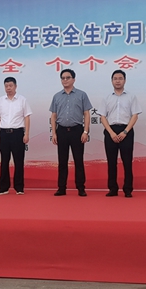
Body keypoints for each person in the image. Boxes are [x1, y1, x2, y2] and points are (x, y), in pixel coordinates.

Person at [98, 70, 142, 198]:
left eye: (120, 78)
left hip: (126, 131)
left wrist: (125, 131)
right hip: (110, 131)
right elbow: (102, 117)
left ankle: (128, 189)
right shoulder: (106, 98)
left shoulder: (131, 97)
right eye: (115, 78)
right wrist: (111, 133)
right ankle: (113, 188)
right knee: (111, 162)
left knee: (127, 162)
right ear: (112, 81)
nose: (118, 81)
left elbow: (135, 115)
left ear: (125, 80)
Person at [49, 68, 91, 197]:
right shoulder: (57, 96)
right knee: (62, 161)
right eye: (63, 78)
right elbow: (53, 116)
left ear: (74, 79)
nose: (65, 80)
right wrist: (54, 133)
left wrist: (85, 131)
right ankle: (61, 188)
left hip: (77, 130)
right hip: (61, 130)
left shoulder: (82, 95)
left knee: (78, 160)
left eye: (68, 77)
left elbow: (86, 114)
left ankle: (81, 188)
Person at [0, 77, 32, 195]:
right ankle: (3, 187)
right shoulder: (0, 101)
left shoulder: (22, 100)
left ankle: (19, 187)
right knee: (4, 161)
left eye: (10, 86)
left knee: (18, 161)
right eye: (6, 86)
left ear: (15, 86)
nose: (8, 88)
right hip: (4, 133)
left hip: (18, 133)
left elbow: (27, 117)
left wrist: (26, 133)